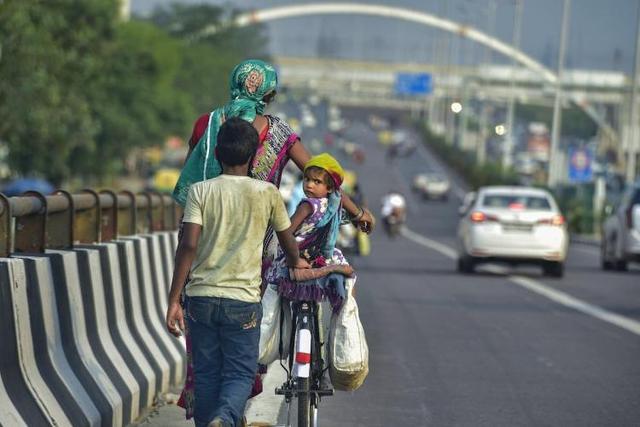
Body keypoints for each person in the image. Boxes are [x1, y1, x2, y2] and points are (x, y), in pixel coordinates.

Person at [172, 59, 374, 420]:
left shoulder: (208, 124)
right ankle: (238, 401)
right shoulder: (278, 133)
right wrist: (357, 214)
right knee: (252, 342)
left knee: (205, 356)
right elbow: (322, 175)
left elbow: (189, 180)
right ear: (268, 94)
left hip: (202, 246)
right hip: (258, 253)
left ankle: (209, 409)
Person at [166, 118, 310, 427]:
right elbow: (287, 241)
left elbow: (188, 246)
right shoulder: (267, 193)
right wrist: (297, 261)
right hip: (242, 301)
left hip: (200, 298)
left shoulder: (200, 191)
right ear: (254, 155)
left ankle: (212, 422)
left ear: (217, 154)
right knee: (239, 372)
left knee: (205, 373)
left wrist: (174, 299)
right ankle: (226, 418)